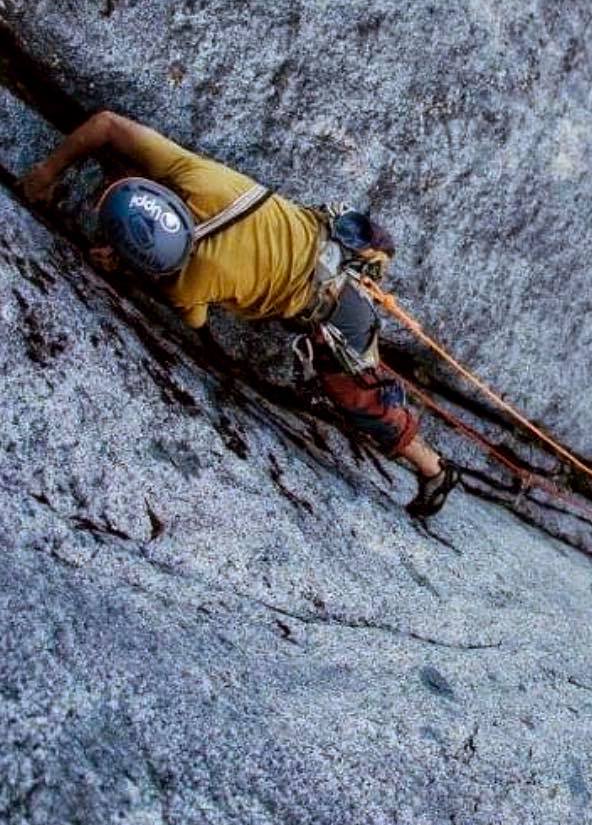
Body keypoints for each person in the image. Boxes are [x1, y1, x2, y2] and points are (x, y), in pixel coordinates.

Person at [21, 110, 459, 519]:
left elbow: (194, 321)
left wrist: (115, 260)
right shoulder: (195, 175)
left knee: (360, 400)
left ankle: (433, 467)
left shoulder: (185, 281)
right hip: (335, 261)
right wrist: (48, 170)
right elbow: (107, 124)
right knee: (363, 388)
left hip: (335, 315)